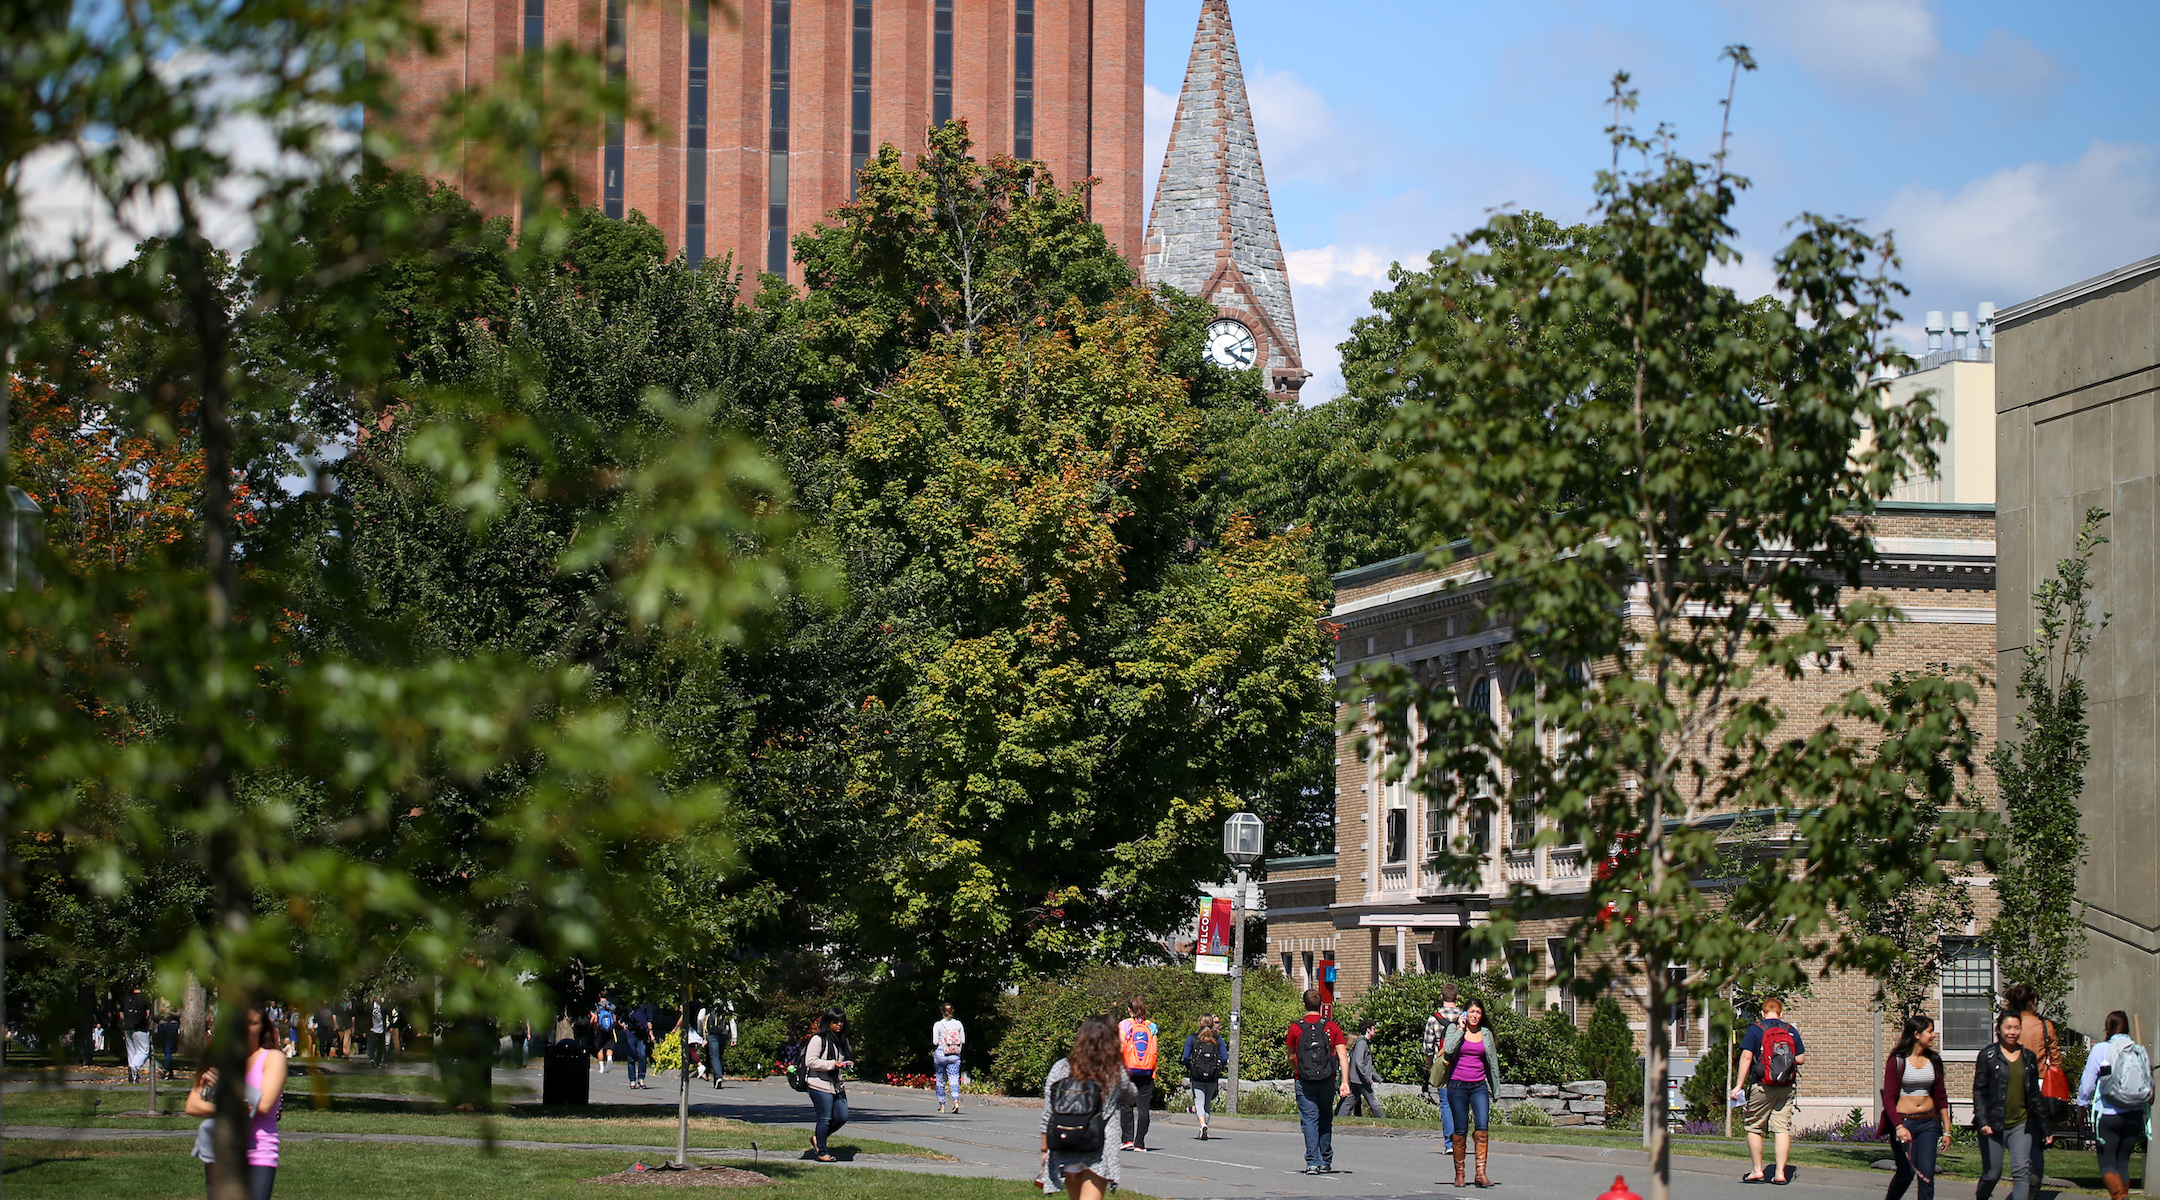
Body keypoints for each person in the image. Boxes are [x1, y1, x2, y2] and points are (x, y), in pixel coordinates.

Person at [186, 1006, 288, 1200]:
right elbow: (192, 1105)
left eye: (253, 1023)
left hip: (258, 1152)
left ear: (262, 1027)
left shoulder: (273, 1058)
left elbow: (264, 1105)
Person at [1040, 1015, 1140, 1200]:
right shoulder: (1113, 1071)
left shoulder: (1060, 1067)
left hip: (1067, 1142)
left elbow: (1048, 1115)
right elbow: (1132, 1096)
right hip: (1098, 1149)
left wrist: (1045, 1150)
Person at [1975, 1011, 2054, 1200]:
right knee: (1992, 1173)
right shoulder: (1988, 1055)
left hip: (2021, 1124)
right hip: (1993, 1124)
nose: (2013, 1032)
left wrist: (2045, 1128)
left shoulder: (2028, 1058)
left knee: (2021, 1171)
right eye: (2008, 1027)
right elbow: (1979, 1091)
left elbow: (2034, 1095)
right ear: (1999, 1029)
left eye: (2017, 1028)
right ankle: (1981, 1196)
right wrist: (1983, 1120)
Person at [1731, 996, 1809, 1185]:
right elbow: (1800, 1059)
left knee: (1754, 1126)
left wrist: (1738, 1086)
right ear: (1781, 1013)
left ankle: (1758, 1171)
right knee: (1782, 1128)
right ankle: (1781, 1173)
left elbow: (1746, 1058)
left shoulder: (1755, 1030)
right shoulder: (1790, 1030)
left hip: (1763, 1085)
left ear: (1762, 1013)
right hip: (1786, 1086)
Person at [2077, 1010, 2151, 1200]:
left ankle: (2119, 1197)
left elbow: (2087, 1083)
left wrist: (2082, 1106)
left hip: (2109, 1114)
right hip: (2134, 1114)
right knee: (2123, 1162)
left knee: (2107, 1162)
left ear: (2107, 1027)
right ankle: (2122, 1195)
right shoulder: (2138, 1049)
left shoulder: (2101, 1049)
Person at [1879, 1015, 1953, 1200]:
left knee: (1927, 1175)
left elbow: (1941, 1097)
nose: (1934, 1035)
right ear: (1917, 1034)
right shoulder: (1897, 1061)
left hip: (1929, 1122)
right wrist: (1899, 1126)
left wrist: (1947, 1129)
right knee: (1906, 1174)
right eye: (1930, 1031)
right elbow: (1888, 1098)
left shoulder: (1934, 1060)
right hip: (1904, 1122)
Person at [1286, 987, 1351, 1176]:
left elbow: (1291, 1056)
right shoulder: (1331, 1027)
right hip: (1327, 1079)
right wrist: (1344, 1081)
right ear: (1321, 1006)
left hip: (1304, 1080)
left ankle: (1312, 1162)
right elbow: (1342, 1055)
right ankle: (1326, 1159)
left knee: (1309, 1120)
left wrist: (1298, 1070)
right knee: (1325, 1117)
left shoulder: (1296, 1027)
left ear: (1304, 1005)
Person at [2004, 985, 2061, 1193]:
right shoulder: (2045, 1026)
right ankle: (2034, 1184)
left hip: (2012, 1084)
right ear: (2031, 1002)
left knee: (2014, 1133)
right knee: (2036, 1139)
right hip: (2038, 1085)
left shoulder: (2009, 1026)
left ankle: (2023, 1178)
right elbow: (2055, 1060)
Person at [1442, 998, 1501, 1188]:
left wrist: (1495, 1088)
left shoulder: (1486, 1034)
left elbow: (1492, 1062)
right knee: (1460, 1130)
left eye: (1478, 1012)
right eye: (1472, 1012)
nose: (1475, 1016)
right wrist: (1460, 1029)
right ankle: (1460, 1173)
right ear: (1465, 1014)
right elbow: (1449, 1049)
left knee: (1482, 1128)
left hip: (1479, 1086)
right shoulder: (1454, 1029)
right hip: (1457, 1086)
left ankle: (1481, 1173)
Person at [802, 1009, 854, 1163]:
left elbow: (845, 1058)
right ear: (828, 1023)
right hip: (818, 1083)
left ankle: (818, 1138)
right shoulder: (819, 1039)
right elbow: (810, 1061)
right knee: (825, 1118)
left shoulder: (842, 1040)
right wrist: (833, 1064)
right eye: (835, 1022)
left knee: (841, 1116)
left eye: (841, 1022)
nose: (839, 1025)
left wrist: (846, 1065)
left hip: (836, 1085)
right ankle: (822, 1151)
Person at [1116, 997, 1159, 1152]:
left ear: (1129, 1009)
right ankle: (1139, 1143)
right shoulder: (1151, 1027)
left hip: (1128, 1070)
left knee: (1125, 1104)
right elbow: (1154, 1050)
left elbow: (1121, 1047)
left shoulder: (1125, 1024)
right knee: (1143, 1107)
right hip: (1146, 1071)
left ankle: (1127, 1139)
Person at [1423, 983, 1464, 1140]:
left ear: (1441, 997)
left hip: (1442, 1064)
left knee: (1445, 1104)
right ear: (1457, 998)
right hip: (1461, 1064)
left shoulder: (1434, 1018)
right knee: (1461, 1103)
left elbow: (1427, 1047)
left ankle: (1449, 1142)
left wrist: (1431, 1067)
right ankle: (1460, 1140)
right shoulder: (1464, 1017)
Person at [1181, 1015, 1226, 1140]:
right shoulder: (1217, 1039)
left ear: (1199, 1024)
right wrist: (1217, 1068)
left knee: (1199, 1103)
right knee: (1207, 1104)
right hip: (1212, 1076)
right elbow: (1225, 1058)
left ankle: (1202, 1124)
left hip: (1197, 1076)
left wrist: (1191, 1067)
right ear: (1212, 1024)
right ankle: (1204, 1126)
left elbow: (1185, 1057)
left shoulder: (1192, 1038)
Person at [1340, 1019, 1381, 1118]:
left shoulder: (1362, 1042)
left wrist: (1377, 1077)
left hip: (1358, 1079)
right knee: (1373, 1102)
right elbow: (1359, 1062)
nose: (1375, 1031)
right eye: (1373, 1029)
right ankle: (1383, 1120)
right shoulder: (1362, 1043)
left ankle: (1339, 1118)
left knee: (1350, 1101)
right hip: (1361, 1080)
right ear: (1368, 1030)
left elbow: (1366, 1065)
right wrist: (1367, 1078)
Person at [932, 1002, 967, 1114]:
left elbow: (935, 1042)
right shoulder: (958, 1024)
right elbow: (962, 1040)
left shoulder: (938, 1025)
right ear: (952, 1011)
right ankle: (956, 1101)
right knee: (954, 1078)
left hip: (941, 1054)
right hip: (955, 1055)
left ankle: (942, 1105)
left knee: (940, 1079)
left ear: (942, 1011)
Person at [122, 984, 152, 1084]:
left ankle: (134, 1077)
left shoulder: (126, 998)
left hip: (127, 1027)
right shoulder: (144, 998)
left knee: (131, 1052)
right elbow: (147, 1013)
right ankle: (134, 1068)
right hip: (140, 1027)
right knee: (144, 1051)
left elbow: (121, 1014)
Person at [624, 1000, 652, 1090]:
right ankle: (632, 1080)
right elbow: (622, 1014)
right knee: (631, 1057)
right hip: (631, 1032)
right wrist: (623, 1023)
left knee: (642, 1055)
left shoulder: (644, 1001)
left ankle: (641, 1078)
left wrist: (650, 1031)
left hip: (642, 1032)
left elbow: (649, 1017)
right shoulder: (628, 1001)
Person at [594, 995, 616, 1073]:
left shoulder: (597, 1006)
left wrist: (595, 1028)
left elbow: (595, 1019)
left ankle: (601, 1066)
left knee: (600, 1047)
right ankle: (609, 1059)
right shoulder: (611, 1005)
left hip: (600, 1029)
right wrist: (612, 1026)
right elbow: (614, 1019)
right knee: (609, 1046)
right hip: (609, 1029)